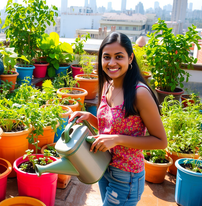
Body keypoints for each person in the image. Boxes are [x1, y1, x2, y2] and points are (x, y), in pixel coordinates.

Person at [68, 32, 167, 206]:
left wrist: (117, 140)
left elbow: (160, 141)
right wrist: (90, 118)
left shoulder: (139, 93)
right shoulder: (108, 85)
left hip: (126, 175)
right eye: (106, 57)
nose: (112, 63)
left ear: (130, 58)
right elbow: (112, 128)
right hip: (103, 166)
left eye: (119, 57)